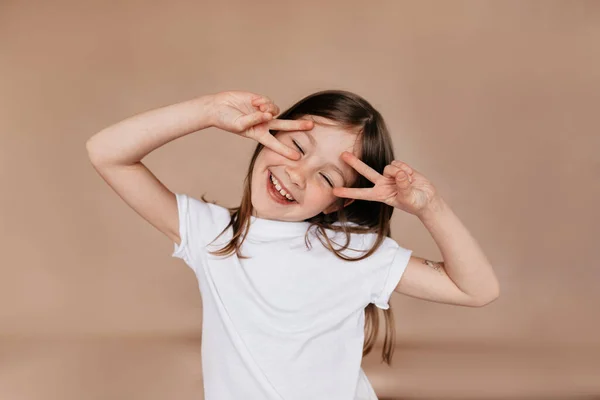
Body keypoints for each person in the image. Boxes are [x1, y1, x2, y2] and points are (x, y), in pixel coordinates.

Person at [86, 89, 500, 400]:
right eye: (297, 147)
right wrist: (208, 112)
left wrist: (431, 208)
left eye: (327, 177)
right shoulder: (211, 233)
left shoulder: (353, 252)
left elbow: (477, 289)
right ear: (268, 132)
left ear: (342, 200)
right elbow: (106, 152)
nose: (298, 174)